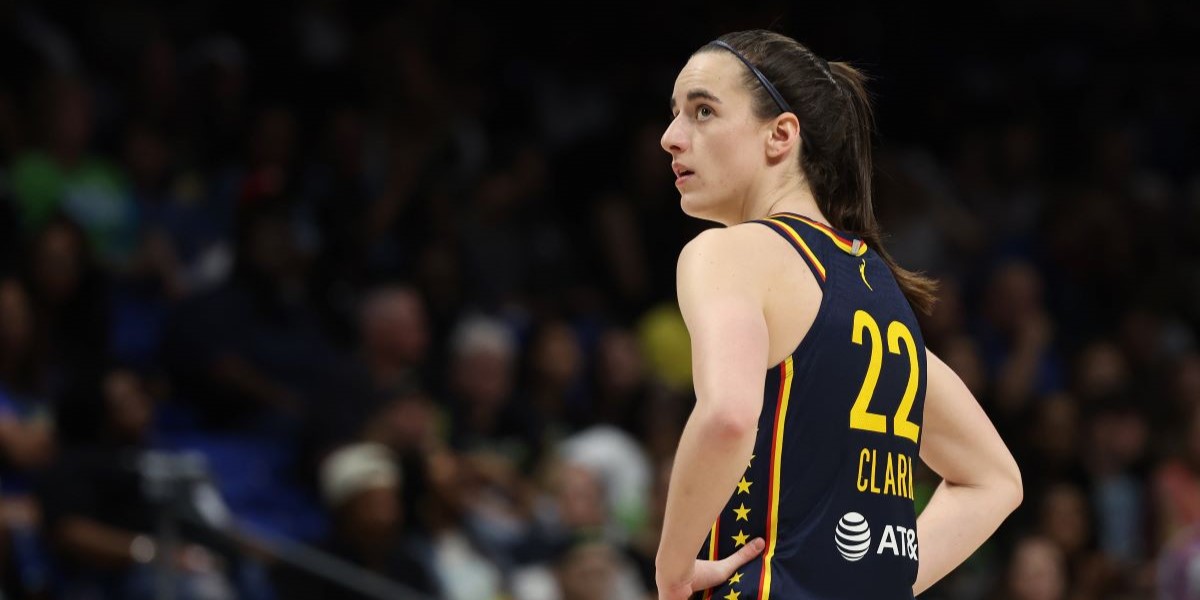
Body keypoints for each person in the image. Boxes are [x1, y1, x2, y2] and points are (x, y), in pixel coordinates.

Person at [652, 30, 1023, 599]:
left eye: (702, 111)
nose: (671, 138)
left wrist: (673, 569)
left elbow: (728, 415)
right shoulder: (878, 289)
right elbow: (994, 480)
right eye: (674, 113)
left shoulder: (729, 253)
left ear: (780, 135)